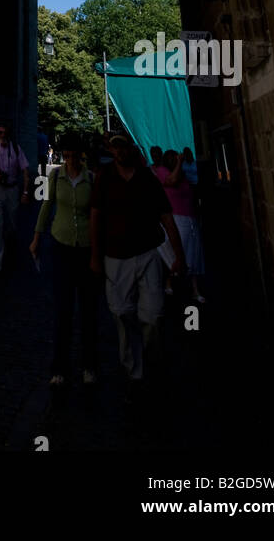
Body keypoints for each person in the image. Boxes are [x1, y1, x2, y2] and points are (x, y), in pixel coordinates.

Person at [90, 132, 185, 394]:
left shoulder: (147, 178)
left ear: (132, 148)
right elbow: (96, 216)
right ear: (111, 150)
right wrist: (95, 256)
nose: (120, 151)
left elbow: (166, 216)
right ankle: (135, 372)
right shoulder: (105, 177)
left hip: (146, 253)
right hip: (115, 256)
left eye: (125, 146)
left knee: (153, 315)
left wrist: (179, 255)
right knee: (121, 312)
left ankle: (148, 362)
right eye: (116, 147)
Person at [30, 131, 98, 387]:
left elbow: (96, 213)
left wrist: (97, 251)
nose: (68, 160)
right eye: (65, 155)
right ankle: (59, 368)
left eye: (72, 155)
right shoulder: (56, 176)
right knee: (63, 310)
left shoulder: (91, 179)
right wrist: (37, 237)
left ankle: (89, 366)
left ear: (80, 155)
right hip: (61, 247)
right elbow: (46, 206)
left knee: (89, 311)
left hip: (86, 249)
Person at [155, 149, 206, 303]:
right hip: (176, 218)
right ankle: (170, 282)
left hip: (190, 218)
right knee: (177, 253)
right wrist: (179, 163)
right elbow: (172, 181)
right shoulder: (162, 171)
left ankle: (195, 289)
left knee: (194, 255)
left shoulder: (183, 175)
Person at [0, 122, 29, 273]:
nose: (2, 136)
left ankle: (10, 253)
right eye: (0, 133)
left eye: (5, 133)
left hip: (12, 189)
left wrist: (25, 192)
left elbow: (25, 170)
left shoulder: (15, 148)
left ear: (9, 134)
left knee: (12, 225)